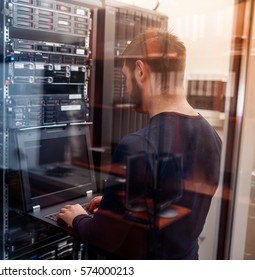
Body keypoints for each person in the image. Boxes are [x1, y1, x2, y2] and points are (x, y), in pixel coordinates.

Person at [57, 28, 222, 259]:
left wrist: (78, 217)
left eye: (126, 77)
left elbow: (105, 239)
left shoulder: (137, 146)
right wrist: (115, 205)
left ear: (141, 70)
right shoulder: (212, 136)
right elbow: (172, 201)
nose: (127, 87)